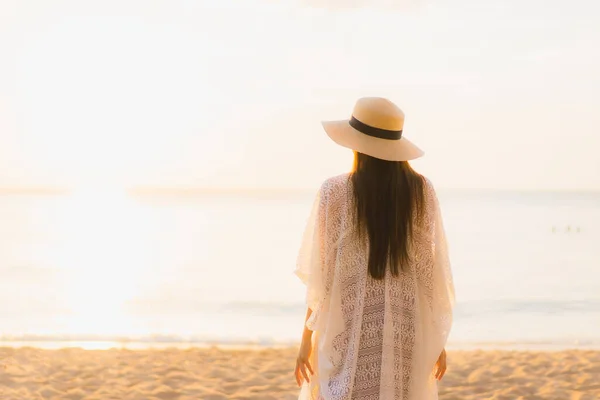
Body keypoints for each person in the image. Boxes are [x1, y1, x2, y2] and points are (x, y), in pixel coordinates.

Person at [293, 97, 455, 400]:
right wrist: (435, 341)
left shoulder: (334, 192)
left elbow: (322, 278)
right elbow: (428, 279)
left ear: (356, 144)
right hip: (406, 335)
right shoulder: (422, 192)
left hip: (349, 332)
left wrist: (307, 340)